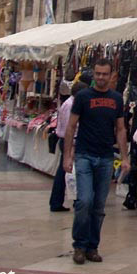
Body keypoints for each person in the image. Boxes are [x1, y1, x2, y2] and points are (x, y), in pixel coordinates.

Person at [63, 58, 130, 265]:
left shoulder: (117, 99)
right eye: (98, 74)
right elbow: (71, 127)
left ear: (111, 76)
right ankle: (79, 245)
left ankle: (92, 246)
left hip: (106, 157)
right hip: (84, 155)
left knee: (99, 206)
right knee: (84, 201)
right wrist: (67, 155)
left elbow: (120, 128)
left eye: (104, 74)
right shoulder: (83, 97)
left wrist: (125, 157)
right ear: (94, 74)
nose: (100, 78)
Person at [50, 81, 85, 213]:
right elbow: (72, 127)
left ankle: (57, 201)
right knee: (71, 171)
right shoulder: (72, 105)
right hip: (70, 141)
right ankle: (69, 200)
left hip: (65, 140)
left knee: (64, 172)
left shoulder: (67, 103)